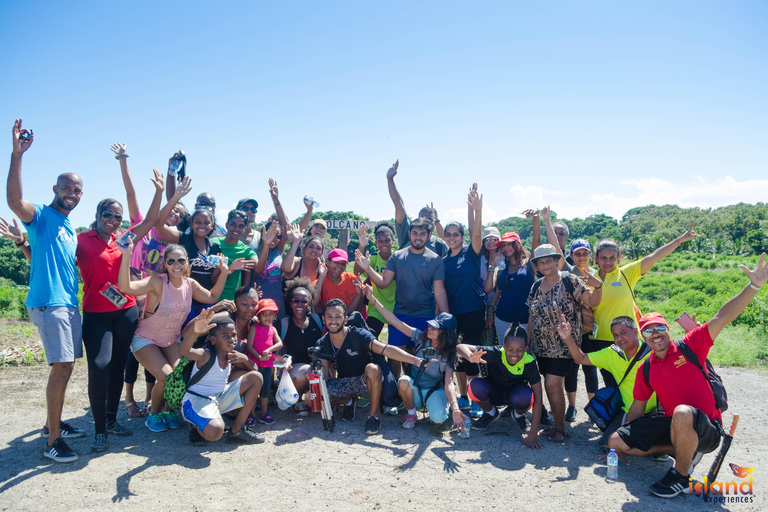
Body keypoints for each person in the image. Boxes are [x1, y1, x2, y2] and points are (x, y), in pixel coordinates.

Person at [609, 255, 766, 497]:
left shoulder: (690, 345)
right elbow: (638, 408)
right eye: (648, 331)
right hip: (674, 426)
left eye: (660, 327)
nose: (655, 334)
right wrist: (628, 437)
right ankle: (681, 449)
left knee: (682, 412)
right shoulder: (646, 368)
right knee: (616, 441)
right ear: (644, 337)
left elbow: (722, 317)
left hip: (707, 429)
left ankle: (680, 476)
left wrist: (754, 286)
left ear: (667, 329)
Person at [7, 118, 85, 462]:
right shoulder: (40, 214)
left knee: (65, 367)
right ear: (56, 189)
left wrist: (23, 246)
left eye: (78, 190)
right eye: (67, 188)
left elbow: (39, 256)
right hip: (48, 303)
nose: (73, 193)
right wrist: (16, 155)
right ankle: (53, 440)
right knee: (62, 366)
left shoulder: (69, 227)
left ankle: (52, 424)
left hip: (66, 304)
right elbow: (14, 200)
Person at [75, 167, 165, 452]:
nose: (113, 220)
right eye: (107, 215)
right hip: (95, 313)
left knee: (117, 366)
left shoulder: (124, 238)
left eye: (117, 216)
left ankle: (112, 421)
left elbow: (150, 220)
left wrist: (159, 191)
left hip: (125, 311)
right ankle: (99, 429)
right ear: (97, 215)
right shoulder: (81, 241)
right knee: (99, 365)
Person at [111, 143, 190, 420]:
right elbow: (131, 192)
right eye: (173, 210)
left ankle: (150, 397)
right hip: (134, 291)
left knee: (156, 347)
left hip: (155, 296)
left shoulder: (175, 240)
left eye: (180, 214)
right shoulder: (142, 225)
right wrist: (123, 161)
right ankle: (129, 398)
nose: (175, 214)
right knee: (134, 347)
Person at [117, 241, 229, 433]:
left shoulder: (190, 284)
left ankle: (169, 412)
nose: (176, 265)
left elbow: (211, 297)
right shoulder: (157, 282)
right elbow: (125, 287)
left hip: (170, 340)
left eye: (181, 261)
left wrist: (224, 272)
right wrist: (126, 255)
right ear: (165, 264)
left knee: (180, 374)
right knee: (166, 376)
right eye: (172, 261)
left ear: (187, 263)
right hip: (146, 339)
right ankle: (154, 414)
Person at [589, 222, 699, 386]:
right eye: (603, 258)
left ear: (619, 258)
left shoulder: (627, 273)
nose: (608, 262)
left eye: (613, 258)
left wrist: (680, 240)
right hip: (601, 340)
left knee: (638, 380)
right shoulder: (589, 278)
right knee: (611, 383)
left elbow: (654, 256)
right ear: (596, 258)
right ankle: (620, 412)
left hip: (629, 339)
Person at [313, 299, 432, 435]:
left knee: (373, 368)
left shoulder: (358, 334)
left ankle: (373, 417)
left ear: (345, 319)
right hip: (344, 382)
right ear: (323, 319)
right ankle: (348, 400)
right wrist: (318, 375)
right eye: (329, 317)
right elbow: (323, 375)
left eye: (338, 317)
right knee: (310, 398)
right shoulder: (322, 343)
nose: (333, 321)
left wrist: (416, 360)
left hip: (366, 382)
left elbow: (386, 350)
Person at [355, 217, 449, 380]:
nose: (418, 237)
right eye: (414, 233)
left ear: (428, 235)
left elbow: (439, 291)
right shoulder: (397, 257)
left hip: (426, 317)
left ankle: (419, 391)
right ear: (409, 234)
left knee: (425, 356)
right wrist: (367, 268)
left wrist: (446, 319)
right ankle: (396, 394)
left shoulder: (435, 260)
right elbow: (384, 283)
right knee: (394, 355)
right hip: (401, 316)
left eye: (422, 233)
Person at [527, 244, 603, 443]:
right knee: (552, 385)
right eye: (541, 262)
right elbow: (531, 316)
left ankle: (560, 429)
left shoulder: (570, 280)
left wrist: (599, 285)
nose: (545, 265)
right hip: (540, 346)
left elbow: (593, 302)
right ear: (537, 265)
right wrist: (527, 341)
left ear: (557, 260)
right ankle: (556, 424)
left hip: (565, 345)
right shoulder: (536, 286)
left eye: (549, 260)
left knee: (552, 384)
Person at [365, 286, 464, 431]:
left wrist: (455, 408)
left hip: (434, 391)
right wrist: (372, 299)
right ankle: (412, 414)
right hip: (415, 389)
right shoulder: (419, 337)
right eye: (431, 325)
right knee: (404, 381)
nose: (429, 328)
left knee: (438, 420)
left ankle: (442, 406)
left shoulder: (448, 353)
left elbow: (449, 383)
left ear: (446, 334)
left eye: (435, 327)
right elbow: (394, 321)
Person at [556, 315, 656, 447]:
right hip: (628, 411)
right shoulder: (612, 353)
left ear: (635, 331)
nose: (619, 338)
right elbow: (581, 358)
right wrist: (568, 339)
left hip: (655, 411)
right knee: (607, 444)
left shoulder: (653, 353)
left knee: (654, 447)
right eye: (615, 335)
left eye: (623, 333)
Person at [180, 309, 266, 445]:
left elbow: (255, 372)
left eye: (233, 335)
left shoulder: (232, 356)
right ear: (213, 340)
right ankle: (195, 426)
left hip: (217, 398)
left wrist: (244, 359)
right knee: (216, 431)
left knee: (256, 377)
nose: (231, 339)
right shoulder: (206, 355)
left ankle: (236, 432)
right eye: (225, 336)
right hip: (195, 401)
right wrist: (195, 332)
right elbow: (184, 351)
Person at [457, 325, 544, 449]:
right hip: (495, 394)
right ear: (503, 346)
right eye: (510, 348)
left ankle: (518, 415)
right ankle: (491, 413)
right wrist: (470, 357)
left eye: (519, 349)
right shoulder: (496, 352)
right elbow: (460, 347)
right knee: (474, 386)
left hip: (515, 397)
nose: (514, 353)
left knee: (527, 397)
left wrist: (533, 434)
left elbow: (539, 399)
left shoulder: (529, 362)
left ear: (525, 348)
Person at [443, 189, 485, 419]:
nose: (452, 237)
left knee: (472, 357)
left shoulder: (471, 253)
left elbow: (476, 234)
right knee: (456, 358)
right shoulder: (443, 261)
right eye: (448, 234)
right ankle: (462, 396)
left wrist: (477, 211)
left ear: (461, 236)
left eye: (456, 234)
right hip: (454, 315)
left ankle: (477, 398)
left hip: (474, 312)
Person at [154, 207, 224, 310]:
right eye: (197, 222)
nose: (202, 225)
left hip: (204, 301)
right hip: (181, 301)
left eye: (206, 222)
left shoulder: (214, 247)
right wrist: (175, 198)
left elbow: (213, 279)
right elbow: (159, 226)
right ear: (191, 223)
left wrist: (224, 269)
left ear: (212, 224)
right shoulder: (183, 239)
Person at [563, 239, 601, 422]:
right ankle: (572, 406)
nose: (581, 256)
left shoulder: (598, 274)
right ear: (571, 256)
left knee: (590, 368)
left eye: (585, 253)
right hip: (572, 329)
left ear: (590, 255)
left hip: (590, 330)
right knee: (571, 369)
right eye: (577, 253)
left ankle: (593, 407)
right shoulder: (568, 273)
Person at [385, 160, 448, 256]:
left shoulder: (440, 245)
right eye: (423, 218)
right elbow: (399, 204)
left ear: (434, 223)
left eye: (430, 219)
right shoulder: (407, 234)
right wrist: (390, 180)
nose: (426, 222)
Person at [279, 277, 323, 417]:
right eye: (296, 300)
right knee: (309, 371)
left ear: (309, 303)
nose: (300, 304)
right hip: (292, 370)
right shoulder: (283, 324)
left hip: (315, 368)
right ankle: (296, 400)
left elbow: (341, 316)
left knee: (316, 370)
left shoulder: (318, 320)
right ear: (290, 303)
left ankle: (311, 399)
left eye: (304, 301)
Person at [245, 299, 285, 425]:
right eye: (264, 314)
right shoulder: (254, 327)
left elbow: (279, 343)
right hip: (254, 364)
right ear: (259, 315)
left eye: (270, 314)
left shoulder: (272, 329)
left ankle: (264, 413)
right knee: (253, 390)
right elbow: (249, 346)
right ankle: (251, 414)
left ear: (275, 315)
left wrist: (269, 349)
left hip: (267, 364)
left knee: (265, 390)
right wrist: (258, 356)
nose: (267, 317)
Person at [354, 221, 397, 337]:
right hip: (376, 307)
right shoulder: (373, 258)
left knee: (396, 345)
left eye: (387, 240)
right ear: (375, 241)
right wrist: (361, 246)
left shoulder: (398, 258)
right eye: (380, 240)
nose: (384, 243)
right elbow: (357, 272)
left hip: (396, 308)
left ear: (393, 240)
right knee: (369, 339)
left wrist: (368, 269)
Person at [212, 210, 259, 301]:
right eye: (233, 224)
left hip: (229, 301)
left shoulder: (246, 251)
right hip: (208, 298)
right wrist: (231, 268)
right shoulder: (213, 243)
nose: (236, 229)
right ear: (226, 225)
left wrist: (266, 244)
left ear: (245, 228)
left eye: (241, 226)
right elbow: (213, 280)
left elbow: (258, 268)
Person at [250, 220, 288, 321]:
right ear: (263, 233)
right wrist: (266, 244)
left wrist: (277, 203)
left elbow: (284, 225)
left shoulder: (278, 250)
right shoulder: (253, 253)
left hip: (277, 303)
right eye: (272, 234)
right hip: (260, 304)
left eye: (277, 236)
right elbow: (258, 269)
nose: (274, 238)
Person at [315, 248, 363, 313]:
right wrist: (321, 277)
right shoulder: (319, 283)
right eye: (336, 262)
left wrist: (359, 294)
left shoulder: (353, 279)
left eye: (343, 264)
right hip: (329, 321)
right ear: (328, 262)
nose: (340, 266)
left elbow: (364, 298)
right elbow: (314, 302)